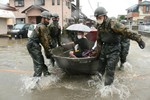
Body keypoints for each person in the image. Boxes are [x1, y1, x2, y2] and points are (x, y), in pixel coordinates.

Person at [93, 7, 145, 86]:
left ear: (104, 16)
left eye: (99, 17)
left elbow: (126, 31)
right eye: (96, 17)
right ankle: (97, 85)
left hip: (114, 49)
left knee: (110, 70)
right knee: (99, 69)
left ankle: (107, 89)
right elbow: (99, 40)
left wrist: (139, 39)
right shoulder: (99, 25)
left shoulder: (113, 23)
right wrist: (97, 52)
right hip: (105, 48)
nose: (98, 19)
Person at [26, 11, 52, 77]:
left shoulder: (43, 26)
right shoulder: (42, 27)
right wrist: (48, 53)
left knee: (40, 59)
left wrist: (50, 48)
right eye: (47, 19)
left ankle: (46, 73)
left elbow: (48, 39)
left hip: (34, 44)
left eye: (49, 19)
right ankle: (35, 81)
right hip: (33, 45)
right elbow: (45, 42)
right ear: (43, 18)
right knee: (39, 63)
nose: (48, 21)